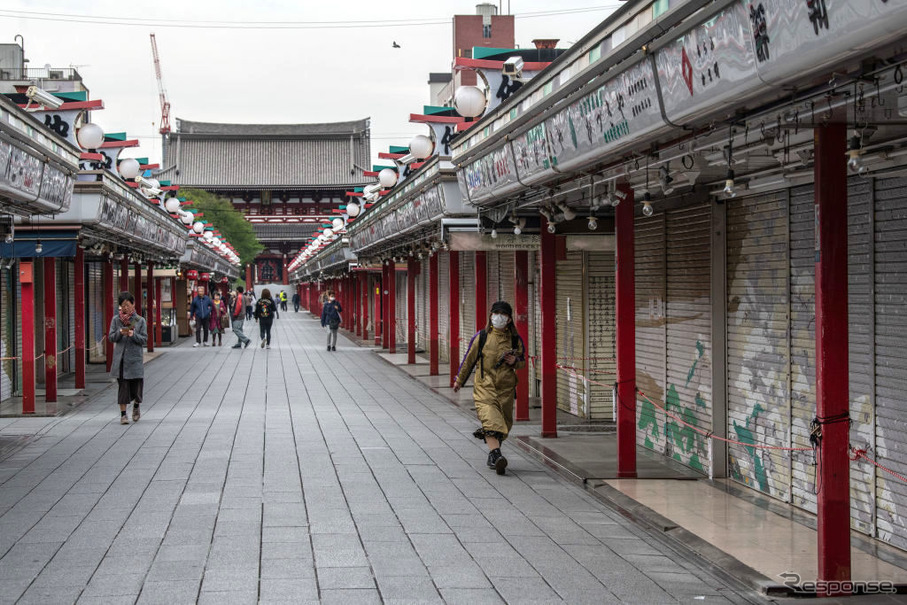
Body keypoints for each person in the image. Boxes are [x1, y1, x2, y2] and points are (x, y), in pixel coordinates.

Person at [453, 301, 525, 475]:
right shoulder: (482, 336)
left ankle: (494, 455)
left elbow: (523, 362)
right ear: (491, 315)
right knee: (491, 419)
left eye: (503, 314)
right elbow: (469, 359)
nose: (499, 317)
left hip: (506, 389)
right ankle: (496, 453)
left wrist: (515, 361)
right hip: (485, 387)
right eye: (496, 313)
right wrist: (459, 380)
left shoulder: (515, 339)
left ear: (509, 319)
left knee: (503, 424)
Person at [108, 291, 147, 425]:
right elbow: (111, 337)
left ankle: (136, 406)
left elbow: (144, 340)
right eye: (123, 305)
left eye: (128, 305)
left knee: (136, 388)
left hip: (135, 360)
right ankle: (123, 415)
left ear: (133, 304)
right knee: (123, 388)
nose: (125, 308)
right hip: (121, 360)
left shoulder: (140, 320)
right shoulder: (115, 320)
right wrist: (119, 332)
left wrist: (133, 334)